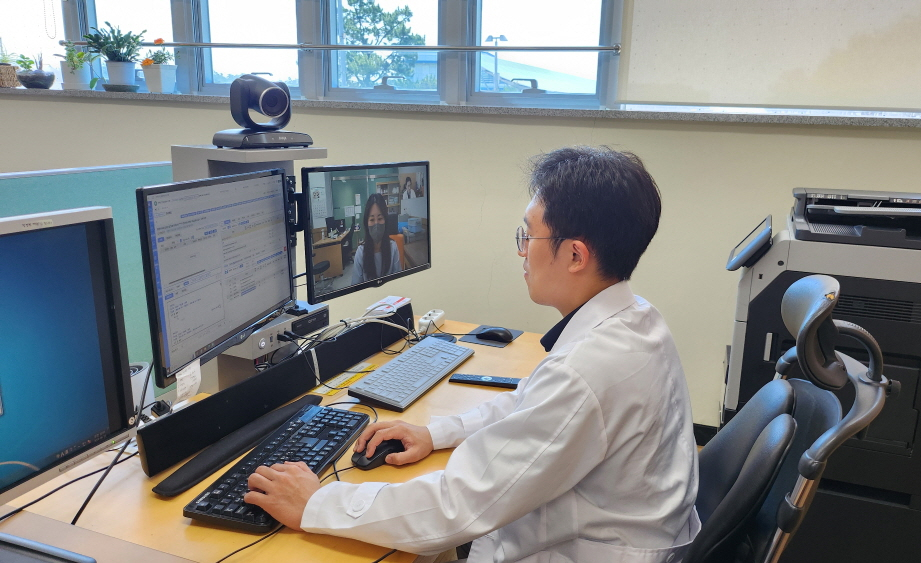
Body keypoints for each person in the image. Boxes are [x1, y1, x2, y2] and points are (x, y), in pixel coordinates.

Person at [245, 146, 700, 563]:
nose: (522, 252)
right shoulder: (637, 318)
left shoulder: (588, 370)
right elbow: (529, 403)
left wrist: (316, 503)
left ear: (576, 256)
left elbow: (455, 508)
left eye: (529, 236)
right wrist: (436, 433)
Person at [351, 193, 402, 285]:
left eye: (380, 218)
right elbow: (356, 287)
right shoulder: (360, 253)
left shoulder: (393, 247)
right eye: (371, 220)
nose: (376, 224)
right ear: (366, 223)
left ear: (386, 220)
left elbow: (398, 281)